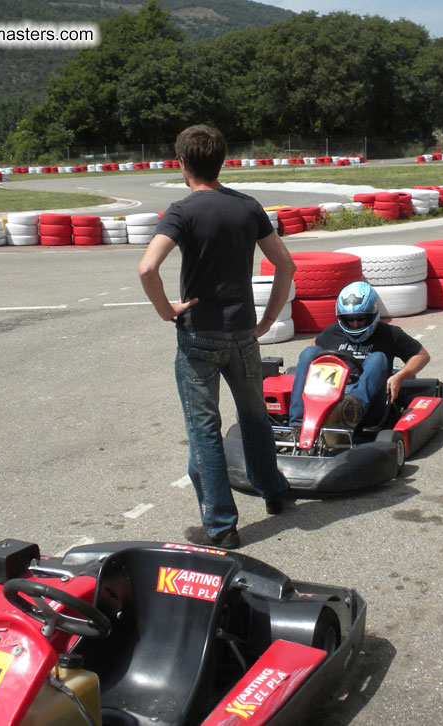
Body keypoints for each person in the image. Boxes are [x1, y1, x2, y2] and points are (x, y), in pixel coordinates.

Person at [138, 124, 296, 550]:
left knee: (205, 427)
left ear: (182, 164)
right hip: (243, 332)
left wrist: (166, 310)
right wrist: (267, 320)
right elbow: (286, 265)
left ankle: (222, 524)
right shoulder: (248, 208)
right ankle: (275, 492)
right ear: (222, 160)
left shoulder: (181, 211)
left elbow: (147, 268)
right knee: (254, 417)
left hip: (199, 337)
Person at [288, 281, 431, 429]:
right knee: (309, 353)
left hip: (369, 405)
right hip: (328, 394)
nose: (355, 325)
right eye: (350, 320)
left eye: (361, 319)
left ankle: (351, 410)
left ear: (372, 314)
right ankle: (297, 424)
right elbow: (314, 346)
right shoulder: (333, 331)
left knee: (378, 358)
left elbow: (421, 355)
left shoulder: (389, 334)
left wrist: (399, 376)